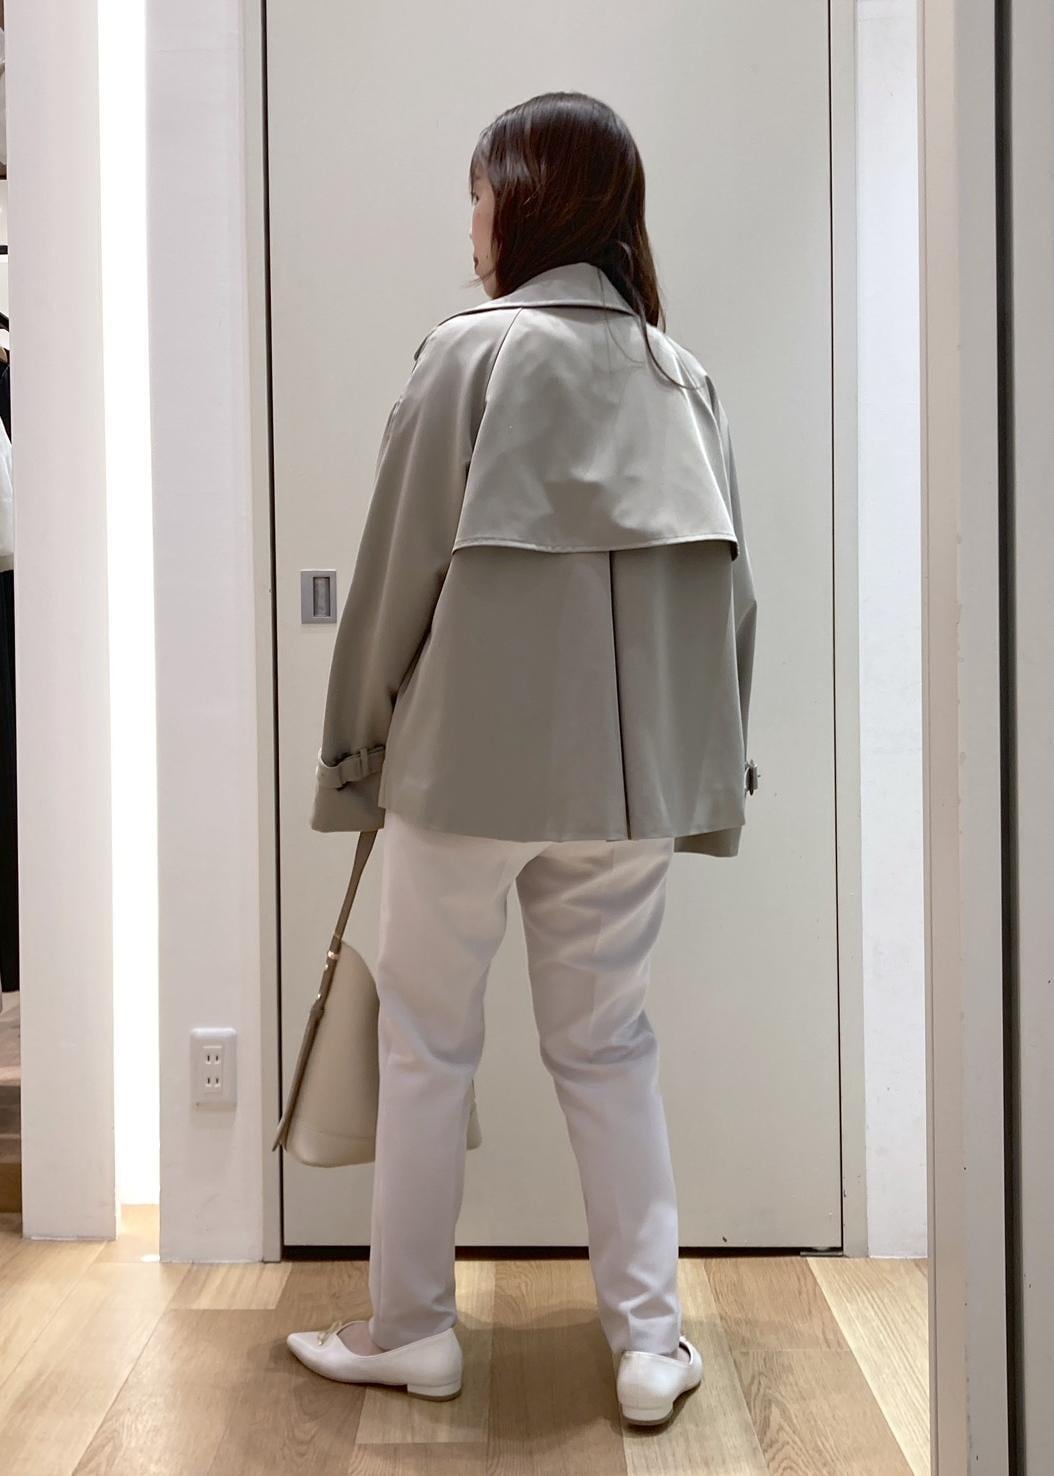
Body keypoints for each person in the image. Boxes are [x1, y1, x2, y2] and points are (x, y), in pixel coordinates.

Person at [286, 90, 758, 1427]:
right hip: (631, 788)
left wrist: (353, 756)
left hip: (462, 776)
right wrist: (709, 776)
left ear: (527, 205)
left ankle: (411, 1332)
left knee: (427, 1047)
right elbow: (730, 604)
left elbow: (395, 577)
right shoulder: (681, 379)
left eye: (480, 195)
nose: (472, 223)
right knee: (609, 1047)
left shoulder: (469, 357)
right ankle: (649, 1345)